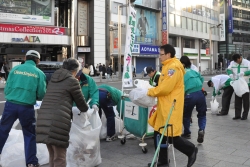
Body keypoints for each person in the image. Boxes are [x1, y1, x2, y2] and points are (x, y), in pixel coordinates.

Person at [147, 44, 197, 167]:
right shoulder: (166, 66)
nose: (159, 57)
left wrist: (149, 91)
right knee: (158, 133)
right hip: (164, 105)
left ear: (168, 54)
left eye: (161, 54)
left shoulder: (173, 68)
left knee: (171, 135)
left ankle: (191, 150)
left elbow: (165, 88)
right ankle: (163, 161)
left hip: (171, 106)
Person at [36, 58, 89, 167]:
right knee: (59, 158)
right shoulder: (72, 81)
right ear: (74, 71)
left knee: (52, 154)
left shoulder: (53, 79)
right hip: (58, 122)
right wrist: (87, 108)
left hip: (43, 119)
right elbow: (82, 105)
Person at [0, 50, 46, 167]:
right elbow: (41, 94)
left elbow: (7, 88)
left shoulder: (15, 70)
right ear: (38, 60)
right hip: (26, 107)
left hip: (11, 104)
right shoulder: (39, 73)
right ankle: (31, 162)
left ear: (25, 58)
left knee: (3, 130)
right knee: (29, 134)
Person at [180, 56, 207, 143]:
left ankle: (187, 133)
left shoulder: (182, 73)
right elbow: (201, 79)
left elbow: (180, 86)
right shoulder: (194, 71)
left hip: (189, 95)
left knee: (186, 115)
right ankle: (201, 129)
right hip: (200, 93)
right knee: (202, 114)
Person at [227, 54, 250, 120]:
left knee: (246, 101)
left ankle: (244, 115)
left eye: (238, 60)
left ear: (240, 57)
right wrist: (230, 74)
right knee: (237, 100)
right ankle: (237, 115)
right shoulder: (232, 63)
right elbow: (228, 69)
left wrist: (244, 73)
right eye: (235, 61)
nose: (237, 62)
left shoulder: (247, 63)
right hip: (237, 84)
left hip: (245, 84)